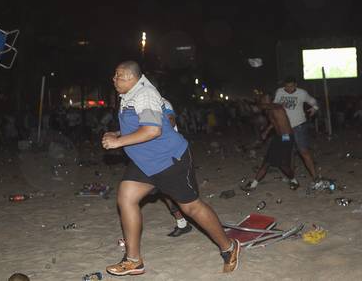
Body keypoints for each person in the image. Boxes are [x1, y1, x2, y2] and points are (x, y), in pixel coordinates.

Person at [102, 61, 240, 276]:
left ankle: (229, 247)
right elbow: (137, 125)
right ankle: (133, 260)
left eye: (118, 75)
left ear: (131, 77)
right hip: (145, 162)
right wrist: (117, 134)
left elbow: (152, 131)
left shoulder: (144, 95)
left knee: (191, 208)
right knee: (126, 197)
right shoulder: (129, 95)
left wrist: (118, 143)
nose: (114, 79)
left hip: (168, 160)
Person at [151, 97, 192, 237]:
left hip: (170, 151)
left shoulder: (162, 103)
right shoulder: (137, 104)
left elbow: (170, 121)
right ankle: (182, 223)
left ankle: (188, 220)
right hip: (154, 154)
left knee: (177, 192)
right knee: (164, 191)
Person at [242, 94, 299, 191]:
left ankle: (294, 180)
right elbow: (274, 122)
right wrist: (266, 131)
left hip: (286, 137)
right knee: (267, 162)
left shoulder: (276, 106)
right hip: (278, 137)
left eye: (266, 98)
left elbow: (266, 106)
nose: (265, 100)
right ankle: (253, 185)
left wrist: (254, 103)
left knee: (283, 164)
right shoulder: (269, 110)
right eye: (264, 98)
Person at [274, 77, 319, 182]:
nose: (289, 89)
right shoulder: (279, 92)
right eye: (287, 86)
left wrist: (314, 108)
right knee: (288, 152)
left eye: (291, 86)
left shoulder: (302, 93)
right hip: (285, 129)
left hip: (299, 127)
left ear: (295, 85)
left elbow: (314, 102)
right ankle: (291, 177)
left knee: (303, 151)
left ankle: (315, 176)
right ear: (284, 85)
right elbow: (274, 105)